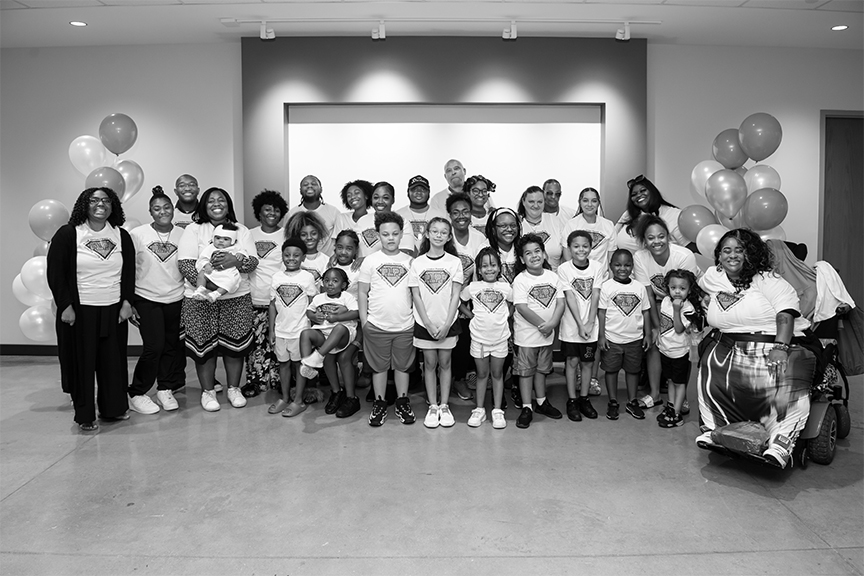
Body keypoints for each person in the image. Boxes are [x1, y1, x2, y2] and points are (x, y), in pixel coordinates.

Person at [696, 229, 816, 469]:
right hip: (728, 342)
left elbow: (785, 315)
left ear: (750, 253)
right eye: (726, 251)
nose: (732, 256)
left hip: (773, 342)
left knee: (786, 376)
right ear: (718, 256)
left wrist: (780, 347)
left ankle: (781, 442)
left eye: (739, 250)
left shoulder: (769, 280)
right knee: (711, 368)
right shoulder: (713, 276)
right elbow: (698, 286)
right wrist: (704, 301)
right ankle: (715, 429)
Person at [47, 187, 135, 431]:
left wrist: (127, 302)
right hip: (80, 310)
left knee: (112, 363)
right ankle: (85, 414)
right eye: (94, 200)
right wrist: (65, 306)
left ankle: (114, 409)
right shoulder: (69, 234)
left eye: (106, 200)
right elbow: (56, 274)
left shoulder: (121, 235)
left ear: (113, 205)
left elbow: (128, 273)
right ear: (83, 204)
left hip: (113, 310)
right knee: (82, 363)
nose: (100, 205)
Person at [177, 187, 258, 412]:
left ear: (228, 204)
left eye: (221, 200)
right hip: (200, 298)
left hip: (236, 297)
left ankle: (234, 389)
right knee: (204, 347)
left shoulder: (241, 230)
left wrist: (235, 262)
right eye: (211, 200)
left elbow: (252, 263)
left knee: (235, 346)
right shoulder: (194, 229)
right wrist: (210, 285)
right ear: (203, 204)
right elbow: (185, 263)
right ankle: (208, 392)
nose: (216, 204)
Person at [127, 187, 186, 415]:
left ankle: (165, 388)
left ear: (173, 208)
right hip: (146, 298)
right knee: (154, 347)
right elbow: (129, 270)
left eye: (167, 207)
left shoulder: (183, 234)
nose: (163, 212)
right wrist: (129, 302)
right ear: (150, 212)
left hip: (176, 298)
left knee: (171, 346)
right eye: (157, 208)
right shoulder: (138, 234)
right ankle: (137, 392)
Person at [633, 215, 702, 409]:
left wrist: (683, 317)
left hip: (685, 303)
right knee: (655, 343)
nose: (657, 241)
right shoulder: (640, 257)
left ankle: (682, 398)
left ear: (668, 236)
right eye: (651, 238)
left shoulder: (684, 255)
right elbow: (647, 294)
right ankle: (655, 394)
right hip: (657, 303)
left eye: (661, 236)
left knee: (682, 350)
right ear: (644, 241)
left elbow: (691, 291)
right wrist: (656, 328)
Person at [358, 212, 416, 427]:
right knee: (379, 368)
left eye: (394, 233)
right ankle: (380, 403)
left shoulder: (410, 261)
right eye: (385, 234)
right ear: (378, 235)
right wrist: (365, 322)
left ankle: (402, 401)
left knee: (402, 367)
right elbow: (362, 292)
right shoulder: (370, 261)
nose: (390, 238)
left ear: (401, 235)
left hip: (404, 325)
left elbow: (415, 294)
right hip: (376, 325)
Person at [409, 217, 463, 429]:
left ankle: (444, 405)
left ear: (449, 237)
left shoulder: (454, 262)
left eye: (443, 232)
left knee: (446, 364)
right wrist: (428, 325)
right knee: (429, 364)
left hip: (448, 323)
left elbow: (456, 294)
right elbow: (416, 296)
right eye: (435, 231)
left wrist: (447, 324)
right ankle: (432, 405)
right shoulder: (417, 262)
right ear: (427, 234)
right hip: (425, 324)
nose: (439, 235)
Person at [511, 233, 566, 429]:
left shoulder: (553, 277)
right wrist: (543, 324)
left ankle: (542, 401)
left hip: (547, 335)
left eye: (537, 251)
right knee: (526, 372)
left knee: (542, 370)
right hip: (527, 336)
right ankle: (527, 406)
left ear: (544, 254)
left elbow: (560, 303)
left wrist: (552, 324)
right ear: (521, 259)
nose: (534, 256)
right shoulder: (520, 280)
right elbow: (521, 307)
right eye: (528, 253)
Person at [298, 268, 362, 418]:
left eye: (335, 281)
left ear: (344, 285)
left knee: (339, 328)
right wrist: (315, 316)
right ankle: (309, 365)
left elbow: (356, 313)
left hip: (344, 335)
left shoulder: (347, 297)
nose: (330, 284)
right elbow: (309, 312)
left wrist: (338, 317)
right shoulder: (319, 298)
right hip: (325, 335)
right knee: (306, 333)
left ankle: (317, 357)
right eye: (326, 280)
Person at [460, 247, 513, 429]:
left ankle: (497, 410)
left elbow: (515, 303)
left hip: (500, 339)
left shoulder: (506, 287)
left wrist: (507, 314)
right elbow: (459, 302)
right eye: (484, 266)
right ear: (479, 270)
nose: (489, 269)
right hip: (479, 339)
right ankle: (480, 409)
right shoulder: (473, 287)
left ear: (499, 268)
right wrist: (470, 315)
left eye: (493, 265)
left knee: (497, 375)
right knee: (482, 375)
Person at [243, 189, 289, 398]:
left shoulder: (287, 234)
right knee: (254, 345)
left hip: (280, 300)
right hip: (253, 297)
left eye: (276, 210)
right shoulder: (248, 234)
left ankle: (280, 381)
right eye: (267, 209)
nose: (272, 213)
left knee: (279, 342)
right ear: (258, 212)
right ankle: (255, 381)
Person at [598, 249, 652, 421]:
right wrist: (601, 336)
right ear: (611, 266)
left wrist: (648, 334)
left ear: (632, 267)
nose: (623, 268)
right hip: (612, 338)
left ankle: (632, 400)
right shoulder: (606, 287)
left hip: (634, 339)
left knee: (633, 371)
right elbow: (601, 313)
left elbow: (646, 312)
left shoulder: (639, 287)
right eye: (618, 265)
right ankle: (613, 401)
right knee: (611, 370)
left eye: (627, 265)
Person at [268, 238, 319, 417]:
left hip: (299, 332)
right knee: (283, 364)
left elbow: (313, 304)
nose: (291, 258)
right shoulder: (276, 277)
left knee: (299, 365)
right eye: (287, 255)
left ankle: (298, 400)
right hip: (281, 331)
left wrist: (312, 330)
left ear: (303, 257)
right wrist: (271, 330)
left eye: (296, 255)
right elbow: (273, 305)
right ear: (282, 256)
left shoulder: (307, 277)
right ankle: (284, 397)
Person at [557, 230, 603, 422]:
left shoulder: (597, 267)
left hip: (590, 327)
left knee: (587, 363)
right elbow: (569, 298)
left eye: (585, 246)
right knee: (572, 362)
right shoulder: (564, 269)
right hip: (571, 326)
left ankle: (584, 398)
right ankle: (572, 400)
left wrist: (590, 322)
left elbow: (595, 295)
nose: (580, 250)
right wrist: (580, 324)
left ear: (591, 248)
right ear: (569, 248)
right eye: (576, 246)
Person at [447, 192, 489, 400]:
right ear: (450, 215)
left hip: (469, 298)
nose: (461, 216)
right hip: (444, 298)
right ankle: (452, 380)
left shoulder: (480, 238)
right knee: (449, 342)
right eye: (455, 212)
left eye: (465, 211)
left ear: (471, 214)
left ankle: (463, 377)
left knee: (465, 339)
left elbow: (482, 270)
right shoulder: (445, 235)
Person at [656, 269, 703, 428]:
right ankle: (670, 406)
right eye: (673, 287)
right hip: (665, 349)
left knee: (679, 383)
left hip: (679, 352)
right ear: (668, 287)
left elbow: (678, 329)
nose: (677, 291)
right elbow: (663, 322)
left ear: (689, 290)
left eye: (682, 289)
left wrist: (677, 310)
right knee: (670, 380)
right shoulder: (665, 301)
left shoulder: (688, 308)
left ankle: (676, 414)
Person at [335, 181, 414, 258]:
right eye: (376, 197)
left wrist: (368, 260)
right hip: (362, 270)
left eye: (385, 198)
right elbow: (351, 246)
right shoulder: (363, 220)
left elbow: (407, 253)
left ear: (393, 200)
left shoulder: (403, 223)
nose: (380, 201)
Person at [615, 175, 688, 254]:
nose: (639, 195)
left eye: (643, 190)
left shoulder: (674, 214)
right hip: (628, 265)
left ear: (652, 191)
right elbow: (612, 235)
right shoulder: (629, 214)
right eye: (634, 194)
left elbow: (688, 247)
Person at [561, 187, 616, 268]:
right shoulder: (571, 225)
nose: (589, 204)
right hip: (577, 277)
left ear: (598, 203)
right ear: (579, 202)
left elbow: (611, 259)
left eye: (594, 201)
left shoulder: (608, 225)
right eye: (585, 200)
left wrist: (610, 280)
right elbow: (567, 257)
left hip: (602, 278)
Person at [286, 175, 341, 256]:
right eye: (305, 184)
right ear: (300, 190)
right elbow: (287, 240)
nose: (309, 186)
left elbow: (340, 240)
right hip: (301, 262)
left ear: (321, 189)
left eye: (314, 184)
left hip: (327, 263)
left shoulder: (333, 212)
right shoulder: (292, 214)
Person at [193, 224, 247, 302]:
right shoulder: (210, 248)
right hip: (212, 271)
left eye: (226, 239)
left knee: (232, 281)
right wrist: (206, 264)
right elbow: (203, 258)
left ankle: (216, 294)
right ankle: (200, 290)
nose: (221, 241)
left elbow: (244, 252)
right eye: (218, 238)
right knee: (202, 274)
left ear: (233, 241)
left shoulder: (235, 248)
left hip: (228, 273)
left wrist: (241, 254)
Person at [518, 185, 565, 270]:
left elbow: (566, 255)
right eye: (531, 202)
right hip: (526, 279)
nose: (536, 206)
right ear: (523, 202)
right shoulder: (517, 224)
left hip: (555, 278)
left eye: (540, 202)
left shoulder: (555, 221)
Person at [397, 175, 446, 251]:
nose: (418, 192)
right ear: (408, 192)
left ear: (429, 192)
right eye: (414, 189)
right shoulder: (398, 215)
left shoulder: (440, 215)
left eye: (423, 189)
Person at [285, 211, 330, 287]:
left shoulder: (327, 261)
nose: (309, 238)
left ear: (320, 234)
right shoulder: (290, 260)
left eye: (313, 233)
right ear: (297, 236)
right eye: (303, 235)